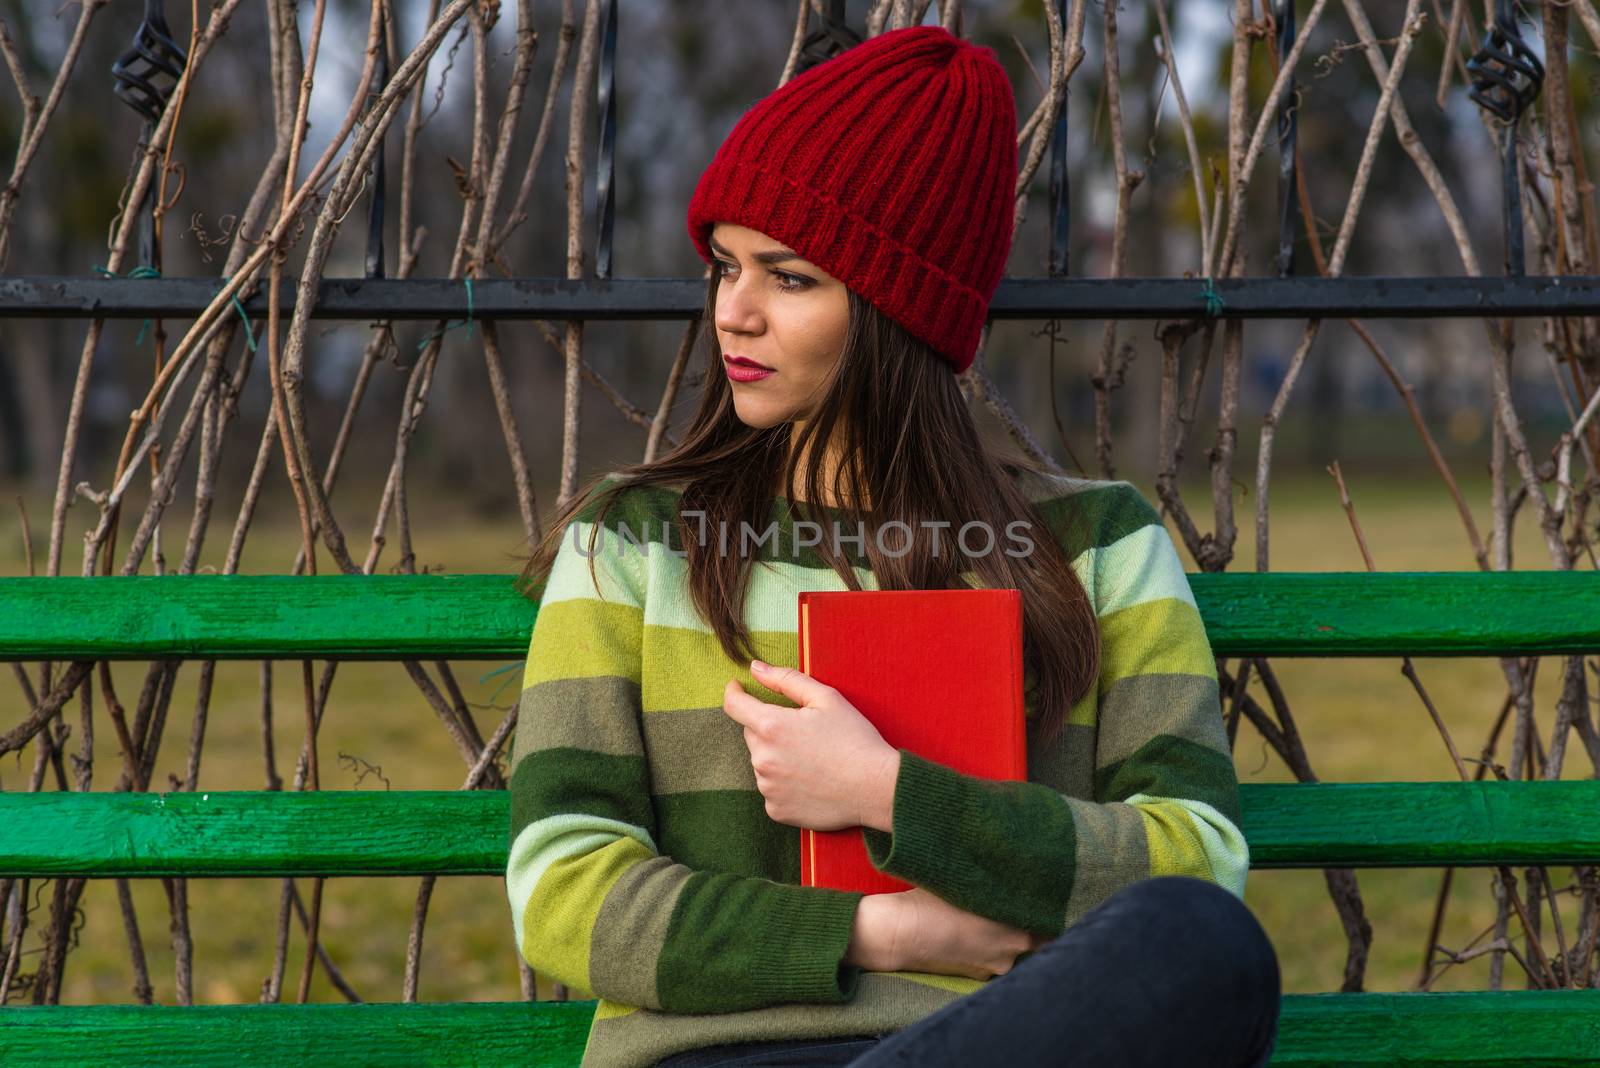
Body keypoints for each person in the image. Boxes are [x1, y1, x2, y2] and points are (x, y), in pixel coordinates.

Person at [506, 23, 1280, 1068]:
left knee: (1199, 939)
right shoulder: (635, 542)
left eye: (788, 278)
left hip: (995, 1046)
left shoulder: (1095, 544)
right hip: (716, 1055)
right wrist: (880, 935)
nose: (733, 314)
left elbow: (1193, 858)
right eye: (724, 265)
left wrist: (887, 793)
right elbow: (564, 888)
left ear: (894, 309)